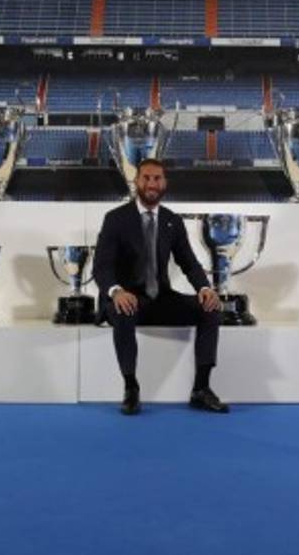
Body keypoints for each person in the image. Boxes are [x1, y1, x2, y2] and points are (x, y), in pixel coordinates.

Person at [93, 158, 227, 416]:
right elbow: (101, 266)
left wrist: (205, 288)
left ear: (164, 183)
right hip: (127, 298)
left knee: (210, 309)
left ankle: (201, 388)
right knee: (123, 310)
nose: (152, 184)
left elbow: (188, 262)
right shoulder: (115, 219)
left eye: (157, 178)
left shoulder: (172, 221)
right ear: (137, 181)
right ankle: (131, 387)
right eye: (146, 178)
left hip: (160, 299)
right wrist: (115, 291)